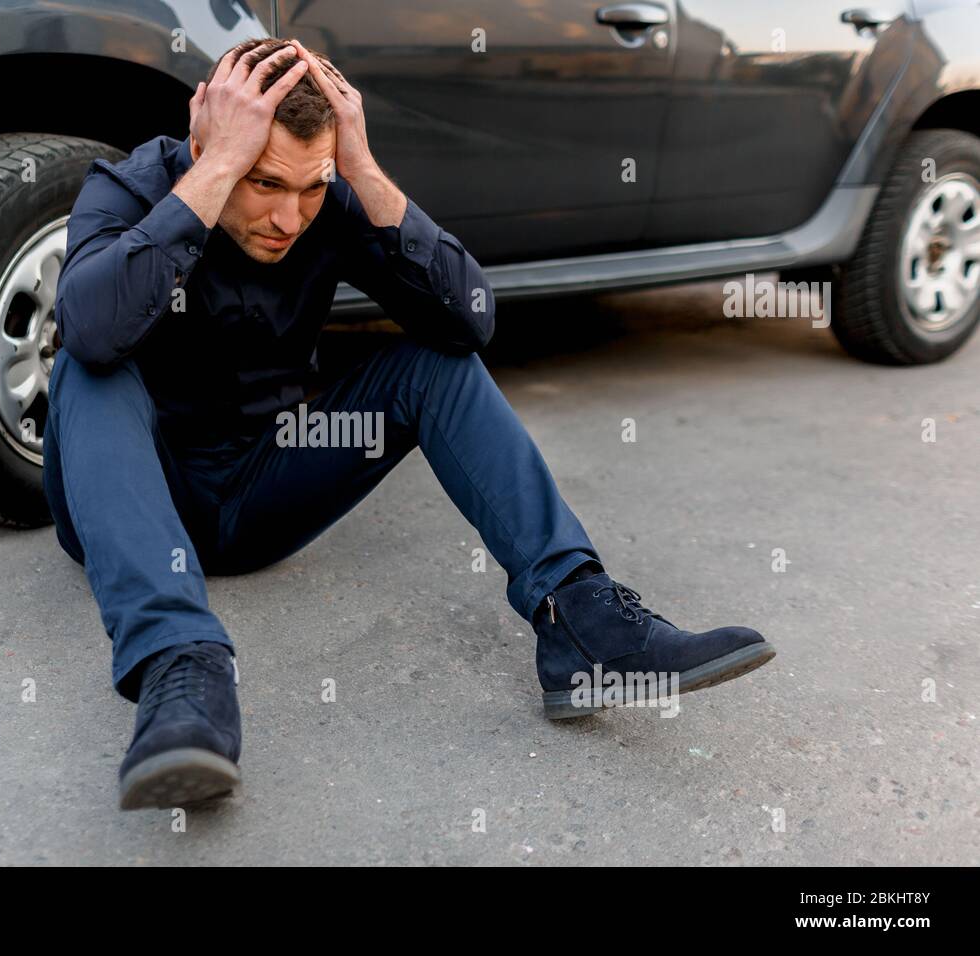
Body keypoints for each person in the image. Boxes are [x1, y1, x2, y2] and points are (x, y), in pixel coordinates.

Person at [42, 37, 775, 811]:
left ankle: (580, 618)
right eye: (263, 183)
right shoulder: (130, 187)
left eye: (311, 186)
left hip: (260, 490)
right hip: (137, 497)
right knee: (91, 360)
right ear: (207, 142)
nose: (289, 217)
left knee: (438, 364)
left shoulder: (329, 198)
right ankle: (182, 671)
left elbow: (473, 321)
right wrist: (212, 174)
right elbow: (90, 327)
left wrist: (361, 173)